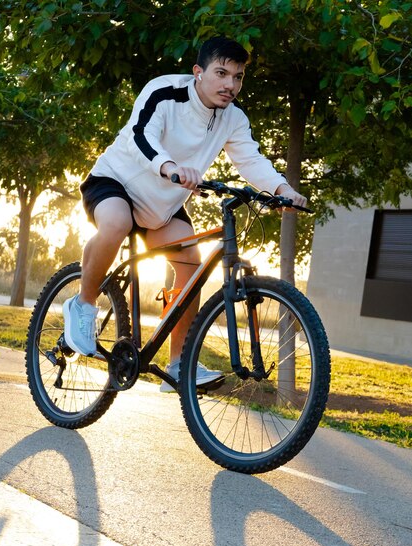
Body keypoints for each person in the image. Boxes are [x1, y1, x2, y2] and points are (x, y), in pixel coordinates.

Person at [63, 35, 307, 392]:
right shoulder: (164, 92)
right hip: (116, 182)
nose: (230, 84)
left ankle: (178, 364)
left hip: (161, 206)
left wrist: (282, 190)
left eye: (238, 77)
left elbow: (250, 160)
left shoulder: (233, 119)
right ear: (198, 72)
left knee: (191, 265)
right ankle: (82, 304)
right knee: (116, 223)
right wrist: (169, 166)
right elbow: (139, 134)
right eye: (221, 73)